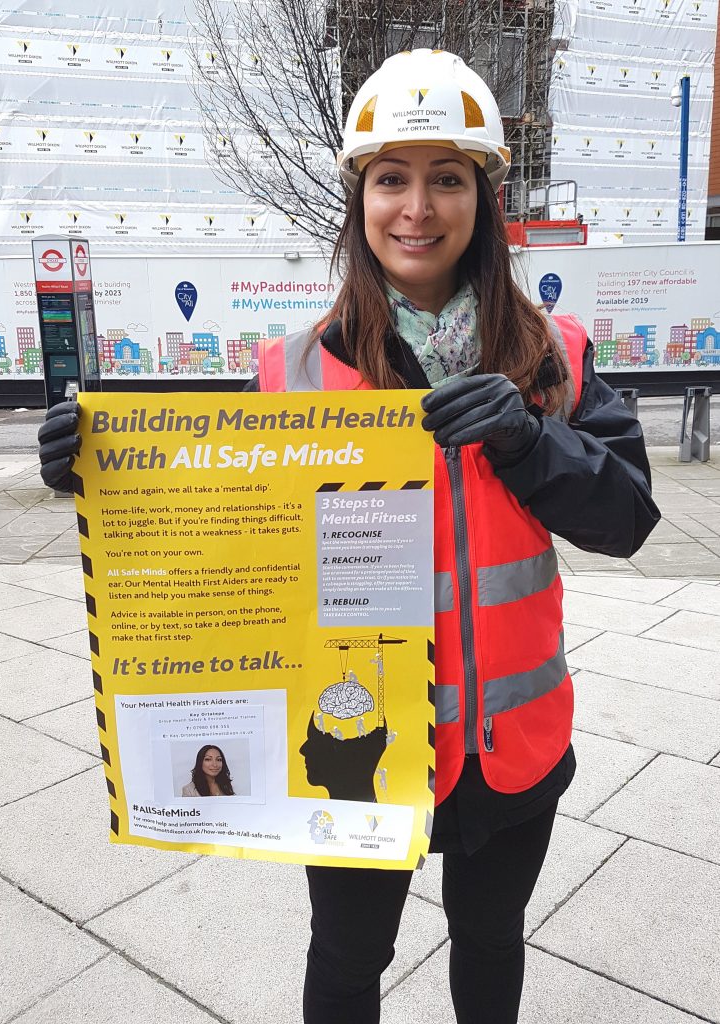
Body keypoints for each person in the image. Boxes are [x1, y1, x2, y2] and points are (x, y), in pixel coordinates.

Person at [38, 48, 660, 1024]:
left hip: (513, 747)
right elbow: (216, 542)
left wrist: (530, 441)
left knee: (492, 939)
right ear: (359, 200)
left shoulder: (552, 355)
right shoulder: (290, 373)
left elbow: (627, 518)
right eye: (390, 179)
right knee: (346, 958)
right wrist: (107, 482)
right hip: (354, 745)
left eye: (447, 178)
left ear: (484, 198)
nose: (417, 207)